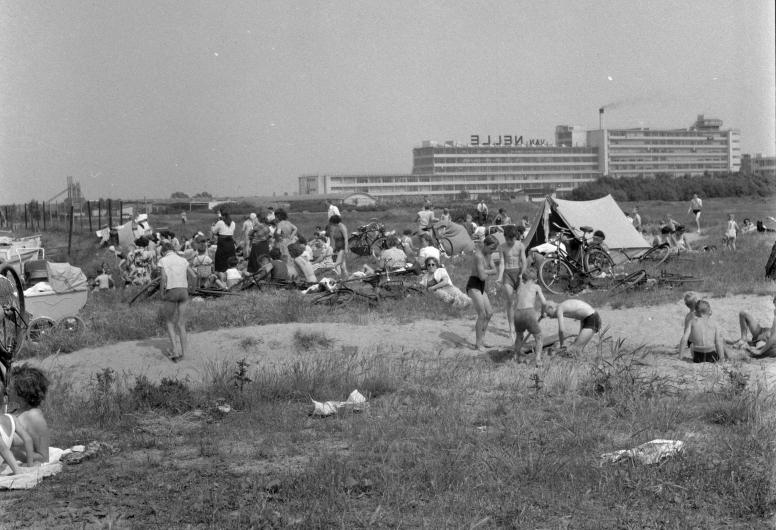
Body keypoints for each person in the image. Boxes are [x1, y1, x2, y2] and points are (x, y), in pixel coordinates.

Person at [9, 364, 50, 464]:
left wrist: (11, 453)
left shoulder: (34, 417)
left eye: (11, 388)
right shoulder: (17, 411)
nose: (8, 390)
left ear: (21, 392)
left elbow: (43, 457)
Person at [466, 235, 500, 351]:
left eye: (494, 249)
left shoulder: (489, 255)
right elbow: (481, 276)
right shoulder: (478, 256)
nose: (492, 251)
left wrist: (485, 271)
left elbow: (495, 270)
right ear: (485, 245)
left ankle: (482, 339)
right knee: (482, 314)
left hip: (481, 286)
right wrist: (487, 272)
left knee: (489, 313)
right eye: (491, 248)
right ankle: (478, 343)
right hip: (473, 285)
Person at [158, 241, 190, 361]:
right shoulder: (182, 259)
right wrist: (190, 288)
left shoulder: (163, 260)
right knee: (181, 324)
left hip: (171, 290)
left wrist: (161, 293)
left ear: (164, 251)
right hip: (183, 291)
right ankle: (185, 354)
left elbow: (163, 278)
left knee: (170, 322)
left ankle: (175, 351)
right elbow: (193, 275)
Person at [496, 225, 527, 341]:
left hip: (518, 273)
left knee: (520, 303)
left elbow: (524, 262)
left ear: (515, 237)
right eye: (507, 239)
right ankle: (511, 328)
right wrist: (499, 277)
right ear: (504, 237)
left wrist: (521, 274)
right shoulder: (502, 247)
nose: (509, 241)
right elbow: (502, 263)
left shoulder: (520, 245)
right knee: (510, 301)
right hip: (507, 274)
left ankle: (520, 326)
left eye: (511, 239)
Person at [513, 268, 547, 367]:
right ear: (535, 279)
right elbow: (544, 302)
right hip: (528, 312)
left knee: (519, 336)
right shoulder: (536, 286)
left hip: (517, 313)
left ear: (524, 279)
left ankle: (516, 357)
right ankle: (538, 360)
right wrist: (542, 312)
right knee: (539, 337)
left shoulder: (519, 287)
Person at [0, 410, 34, 475]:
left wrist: (17, 472)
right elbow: (28, 439)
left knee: (11, 449)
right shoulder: (12, 418)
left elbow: (3, 449)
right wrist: (30, 463)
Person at [211, 210, 236, 274]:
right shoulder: (233, 223)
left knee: (220, 258)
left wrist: (213, 226)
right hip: (230, 242)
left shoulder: (220, 222)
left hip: (222, 242)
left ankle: (220, 272)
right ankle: (230, 271)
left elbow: (214, 232)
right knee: (230, 257)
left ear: (223, 216)